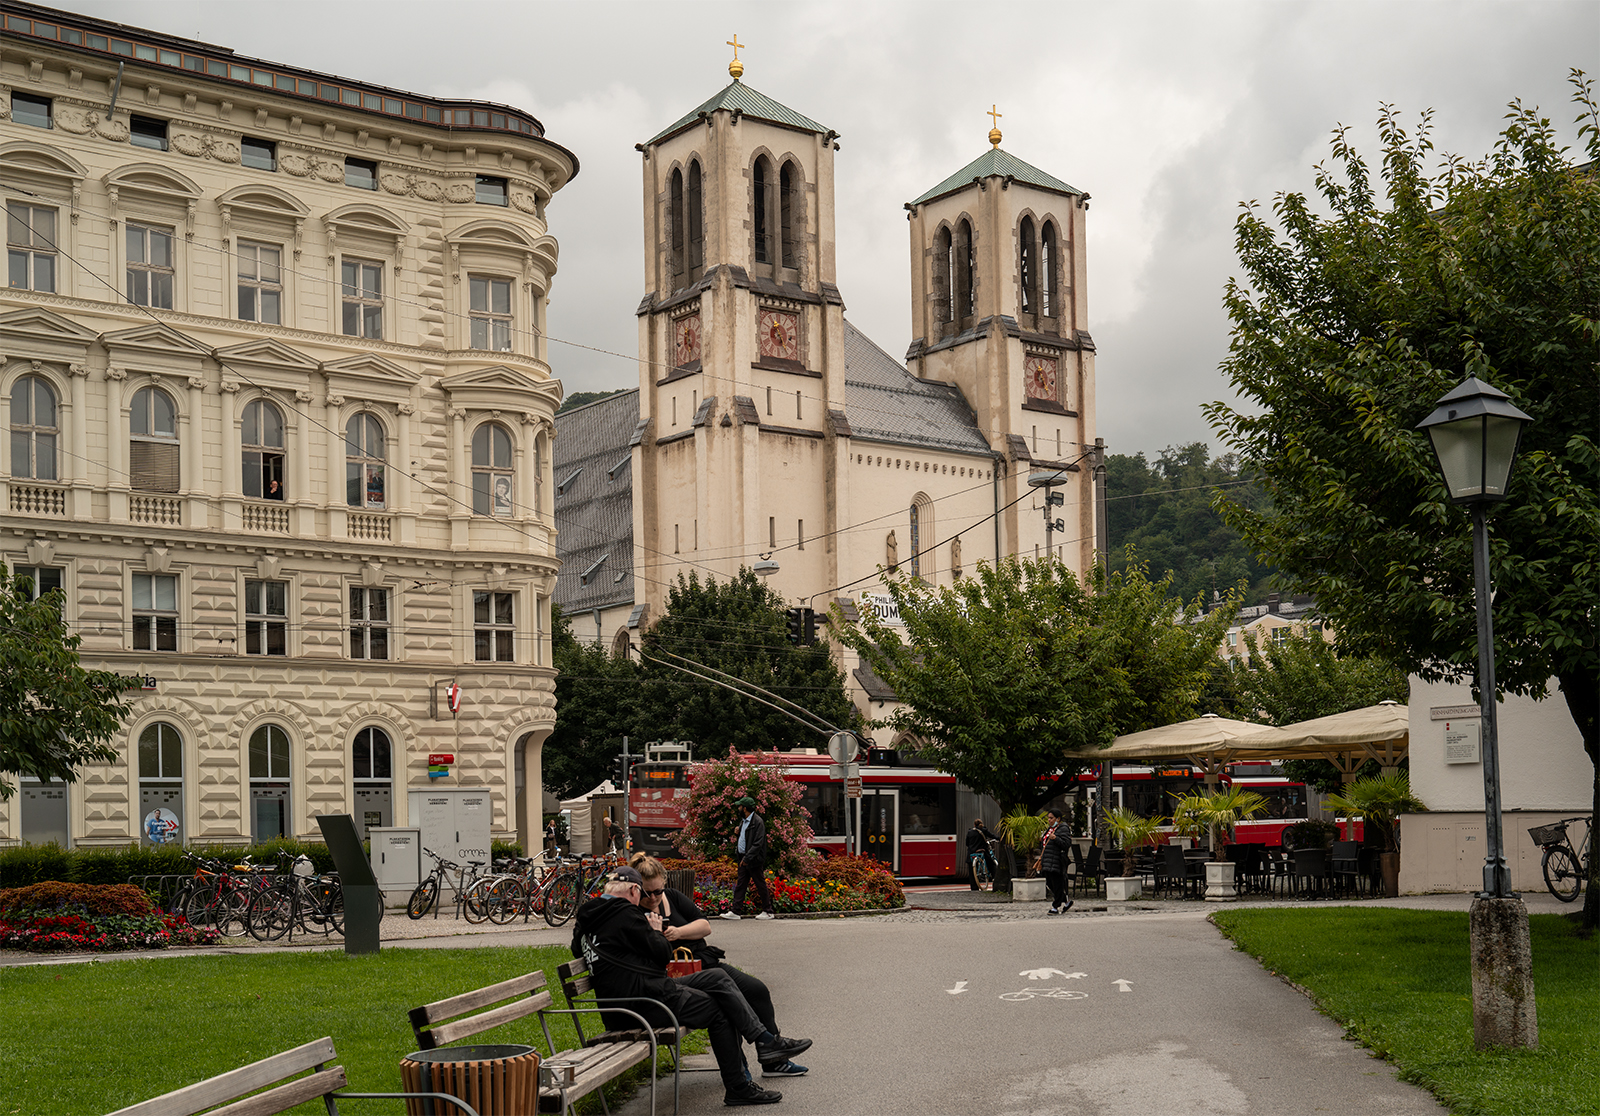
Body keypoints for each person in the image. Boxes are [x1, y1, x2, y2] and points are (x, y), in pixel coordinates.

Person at [570, 866, 811, 1107]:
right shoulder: (625, 914)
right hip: (643, 1004)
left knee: (716, 977)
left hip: (629, 1001)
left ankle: (765, 1039)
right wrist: (655, 932)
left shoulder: (588, 917)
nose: (643, 899)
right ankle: (739, 1086)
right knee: (719, 1009)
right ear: (634, 889)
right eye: (641, 893)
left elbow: (577, 949)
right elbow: (662, 955)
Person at [631, 854, 809, 1078]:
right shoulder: (634, 912)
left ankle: (773, 1059)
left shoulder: (672, 898)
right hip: (678, 975)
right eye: (649, 893)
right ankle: (740, 1069)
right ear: (637, 889)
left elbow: (705, 925)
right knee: (727, 1001)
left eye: (659, 890)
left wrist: (677, 932)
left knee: (757, 990)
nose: (655, 897)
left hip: (703, 962)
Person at [721, 797, 775, 921]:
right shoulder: (744, 821)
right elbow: (746, 838)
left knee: (760, 884)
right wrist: (738, 832)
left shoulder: (758, 822)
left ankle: (768, 911)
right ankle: (736, 911)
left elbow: (757, 843)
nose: (738, 808)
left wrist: (748, 858)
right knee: (741, 884)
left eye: (740, 806)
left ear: (745, 808)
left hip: (753, 859)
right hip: (743, 858)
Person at [1039, 808, 1074, 915]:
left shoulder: (1063, 828)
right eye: (1048, 818)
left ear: (1058, 819)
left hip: (1057, 860)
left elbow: (1066, 843)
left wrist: (1055, 838)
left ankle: (1055, 906)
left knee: (1057, 883)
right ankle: (1066, 902)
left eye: (1051, 818)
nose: (1049, 820)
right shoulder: (1049, 829)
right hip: (1048, 860)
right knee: (1050, 883)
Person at [965, 817, 999, 891]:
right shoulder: (983, 830)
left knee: (971, 870)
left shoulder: (970, 832)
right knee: (991, 864)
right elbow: (992, 836)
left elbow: (967, 843)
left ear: (974, 825)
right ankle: (994, 879)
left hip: (972, 852)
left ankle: (974, 887)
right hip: (982, 851)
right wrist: (999, 838)